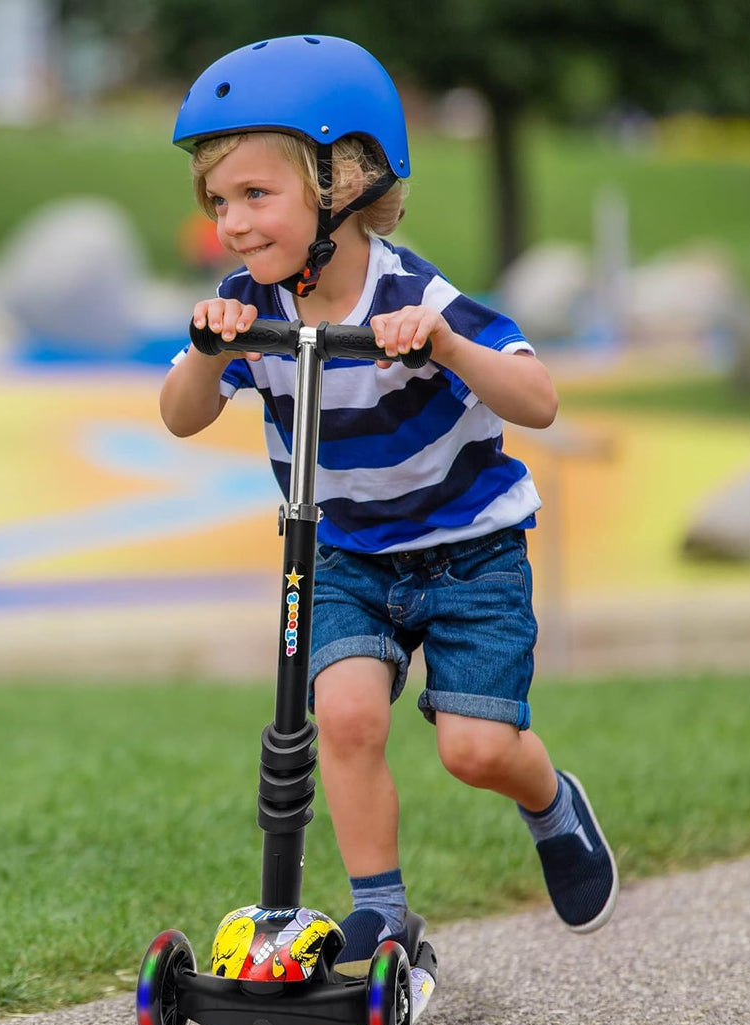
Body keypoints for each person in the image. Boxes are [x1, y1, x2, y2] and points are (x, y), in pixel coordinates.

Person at [160, 34, 618, 974]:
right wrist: (211, 350)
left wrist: (445, 346)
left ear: (344, 181)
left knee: (476, 750)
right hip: (344, 556)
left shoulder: (414, 295)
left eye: (256, 194)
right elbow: (180, 417)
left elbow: (539, 401)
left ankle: (552, 805)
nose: (234, 223)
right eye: (218, 201)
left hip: (469, 554)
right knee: (346, 720)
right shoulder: (247, 306)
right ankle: (382, 915)